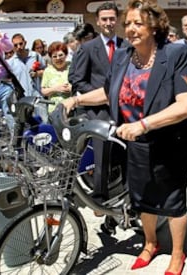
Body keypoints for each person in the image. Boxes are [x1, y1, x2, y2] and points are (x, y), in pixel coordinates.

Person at [62, 1, 187, 274]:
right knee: (142, 199)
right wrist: (76, 100)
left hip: (169, 143)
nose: (131, 29)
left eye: (138, 23)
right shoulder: (124, 55)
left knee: (172, 202)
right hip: (135, 143)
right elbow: (107, 92)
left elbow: (186, 105)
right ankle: (150, 244)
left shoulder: (175, 54)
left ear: (155, 26)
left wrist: (143, 124)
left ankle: (178, 254)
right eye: (129, 24)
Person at [69, 2, 128, 207]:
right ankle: (100, 197)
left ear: (117, 20)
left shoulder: (126, 46)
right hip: (99, 110)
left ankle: (126, 194)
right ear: (98, 21)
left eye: (112, 19)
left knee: (125, 151)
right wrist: (99, 96)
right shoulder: (87, 48)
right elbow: (78, 79)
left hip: (124, 110)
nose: (108, 23)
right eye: (104, 19)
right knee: (101, 154)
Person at [12, 33, 48, 121]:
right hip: (22, 99)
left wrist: (37, 74)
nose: (19, 47)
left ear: (25, 42)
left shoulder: (35, 56)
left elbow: (47, 72)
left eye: (21, 43)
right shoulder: (11, 62)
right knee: (28, 126)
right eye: (15, 45)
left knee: (44, 122)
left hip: (37, 97)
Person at [40, 41, 72, 113]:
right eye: (54, 56)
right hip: (54, 110)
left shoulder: (72, 67)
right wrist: (56, 89)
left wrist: (71, 88)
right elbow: (43, 91)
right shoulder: (48, 71)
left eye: (60, 55)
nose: (58, 58)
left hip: (71, 109)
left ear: (66, 55)